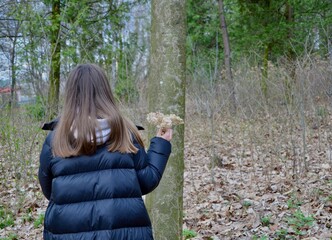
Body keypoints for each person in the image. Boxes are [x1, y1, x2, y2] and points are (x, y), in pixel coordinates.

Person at [38, 63, 173, 240]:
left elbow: (50, 192)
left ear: (70, 95)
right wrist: (161, 144)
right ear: (105, 92)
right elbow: (146, 181)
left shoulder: (55, 140)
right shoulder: (125, 134)